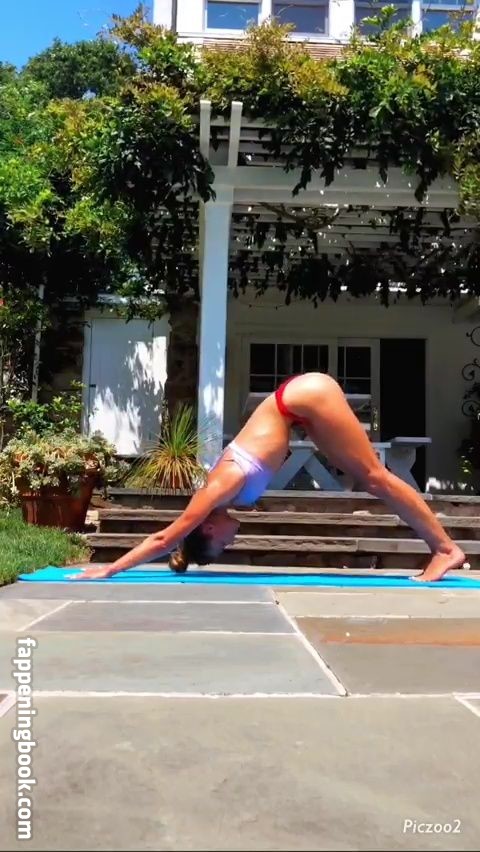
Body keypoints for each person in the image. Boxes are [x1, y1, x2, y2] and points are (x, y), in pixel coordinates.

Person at [74, 373, 465, 583]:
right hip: (298, 411)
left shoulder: (219, 489)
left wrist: (110, 568)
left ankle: (445, 549)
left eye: (222, 544)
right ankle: (442, 548)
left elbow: (165, 538)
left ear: (208, 528)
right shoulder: (229, 498)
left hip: (302, 398)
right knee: (367, 477)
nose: (231, 542)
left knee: (375, 477)